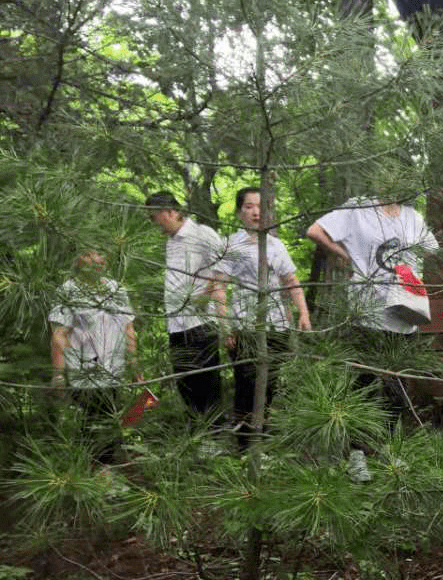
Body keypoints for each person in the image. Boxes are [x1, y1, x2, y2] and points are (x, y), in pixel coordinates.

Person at [306, 195, 437, 480]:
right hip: (366, 313)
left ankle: (391, 452)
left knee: (397, 387)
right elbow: (315, 230)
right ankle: (356, 455)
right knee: (362, 386)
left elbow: (431, 248)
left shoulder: (411, 215)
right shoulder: (357, 207)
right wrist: (343, 254)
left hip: (403, 312)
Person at [217, 187, 312, 449]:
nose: (256, 212)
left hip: (276, 325)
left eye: (260, 206)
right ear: (239, 212)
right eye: (249, 206)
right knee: (246, 384)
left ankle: (263, 440)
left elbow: (291, 280)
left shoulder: (275, 244)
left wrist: (303, 313)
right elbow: (219, 288)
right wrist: (225, 326)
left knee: (270, 384)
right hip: (244, 325)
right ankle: (245, 445)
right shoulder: (230, 244)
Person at [145, 191, 227, 427]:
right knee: (185, 383)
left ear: (170, 212)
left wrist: (206, 296)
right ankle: (197, 438)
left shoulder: (202, 234)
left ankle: (214, 438)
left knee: (207, 382)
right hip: (176, 325)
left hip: (200, 324)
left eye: (154, 217)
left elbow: (222, 269)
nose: (153, 223)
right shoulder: (171, 242)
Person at [50, 251, 139, 466]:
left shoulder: (116, 289)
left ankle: (100, 473)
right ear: (79, 264)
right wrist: (59, 375)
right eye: (90, 258)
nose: (98, 262)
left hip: (114, 371)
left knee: (109, 420)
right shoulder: (68, 291)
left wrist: (135, 366)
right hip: (83, 372)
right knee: (93, 421)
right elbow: (59, 335)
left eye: (100, 257)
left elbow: (128, 329)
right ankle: (99, 474)